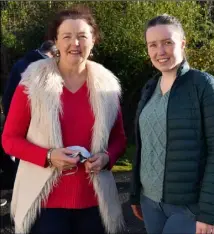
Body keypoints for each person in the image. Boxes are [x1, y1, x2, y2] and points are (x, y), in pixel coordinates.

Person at [2, 5, 126, 234]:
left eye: (82, 36)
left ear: (93, 40)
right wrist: (48, 156)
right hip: (45, 204)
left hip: (95, 204)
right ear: (55, 42)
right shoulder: (32, 83)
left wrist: (107, 158)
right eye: (67, 36)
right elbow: (9, 139)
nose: (74, 43)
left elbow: (119, 138)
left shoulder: (107, 86)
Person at [130, 14, 214, 234]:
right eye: (153, 45)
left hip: (188, 208)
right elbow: (144, 146)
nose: (160, 51)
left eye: (168, 42)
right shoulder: (150, 88)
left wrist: (208, 213)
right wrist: (134, 193)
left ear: (183, 44)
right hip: (149, 203)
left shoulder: (205, 86)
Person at [2, 40, 56, 117]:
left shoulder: (20, 63)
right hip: (31, 119)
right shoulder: (43, 68)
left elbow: (8, 95)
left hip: (14, 115)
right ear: (51, 54)